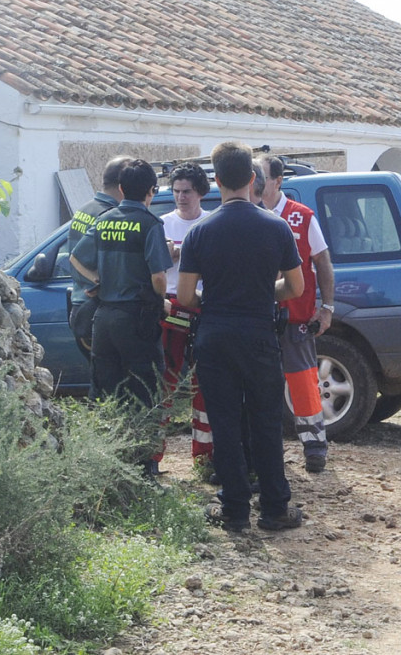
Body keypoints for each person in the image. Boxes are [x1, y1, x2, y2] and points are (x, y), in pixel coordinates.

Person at [177, 141, 305, 533]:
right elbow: (296, 287)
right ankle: (275, 508)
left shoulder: (200, 231)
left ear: (215, 182)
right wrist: (265, 293)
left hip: (215, 334)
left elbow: (184, 296)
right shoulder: (276, 226)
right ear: (253, 180)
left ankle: (234, 510)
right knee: (266, 420)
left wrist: (213, 300)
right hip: (258, 333)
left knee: (225, 421)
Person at [70, 159, 173, 474]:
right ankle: (144, 468)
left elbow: (74, 258)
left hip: (104, 319)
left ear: (122, 189)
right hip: (137, 320)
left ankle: (106, 462)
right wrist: (161, 301)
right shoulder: (150, 224)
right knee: (145, 389)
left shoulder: (103, 220)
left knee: (106, 389)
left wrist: (97, 281)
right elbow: (158, 278)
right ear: (151, 192)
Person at [258, 154, 336, 473]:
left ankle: (314, 446)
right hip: (259, 319)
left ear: (277, 180)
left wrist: (327, 307)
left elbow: (323, 263)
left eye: (260, 175)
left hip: (295, 319)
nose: (255, 181)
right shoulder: (251, 216)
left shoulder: (301, 217)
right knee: (262, 386)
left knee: (303, 383)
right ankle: (267, 447)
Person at [158, 163, 214, 465]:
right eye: (176, 191)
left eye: (187, 192)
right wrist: (166, 255)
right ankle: (153, 455)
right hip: (169, 305)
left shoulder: (210, 223)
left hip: (203, 305)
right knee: (163, 380)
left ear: (201, 193)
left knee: (203, 381)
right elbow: (149, 269)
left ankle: (204, 456)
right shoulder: (162, 224)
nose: (181, 197)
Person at [67, 155, 128, 359]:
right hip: (97, 307)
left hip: (81, 305)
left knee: (101, 378)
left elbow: (74, 257)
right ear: (123, 185)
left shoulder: (85, 209)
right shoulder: (110, 215)